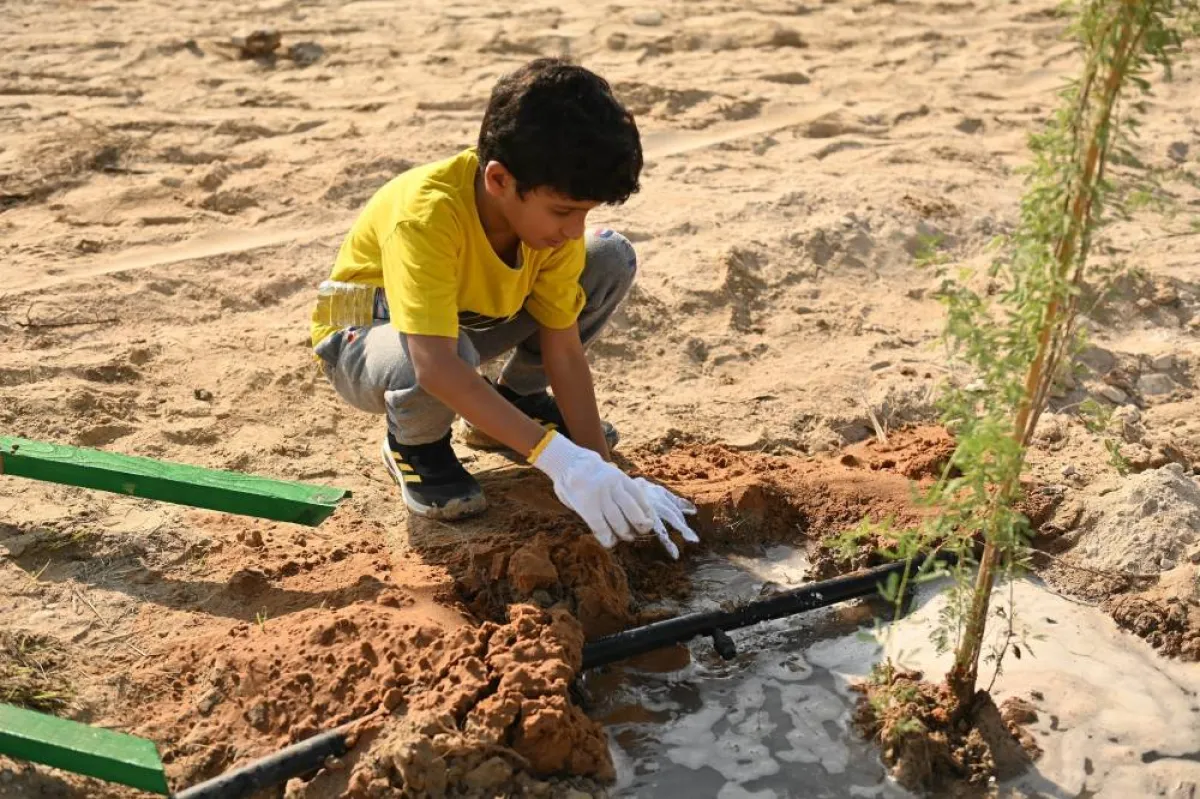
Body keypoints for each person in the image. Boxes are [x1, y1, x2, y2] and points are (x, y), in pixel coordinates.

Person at [309, 57, 698, 558]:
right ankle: (414, 444)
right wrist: (558, 460)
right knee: (449, 361)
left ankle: (514, 401)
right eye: (563, 211)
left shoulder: (551, 230)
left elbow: (564, 349)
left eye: (584, 212)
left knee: (608, 256)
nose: (573, 229)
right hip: (366, 340)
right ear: (498, 180)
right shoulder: (427, 216)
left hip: (466, 326)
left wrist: (598, 468)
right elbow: (436, 365)